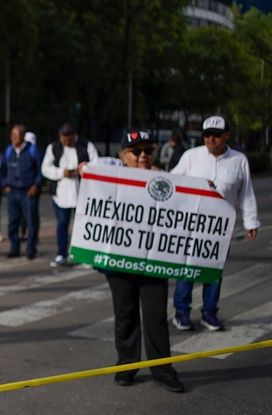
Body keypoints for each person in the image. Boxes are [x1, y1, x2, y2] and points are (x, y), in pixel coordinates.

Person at [95, 128, 184, 393]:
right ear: (124, 156)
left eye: (147, 151)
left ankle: (163, 369)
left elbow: (188, 205)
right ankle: (126, 366)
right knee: (125, 314)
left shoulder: (164, 179)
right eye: (136, 151)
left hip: (154, 259)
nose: (142, 156)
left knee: (156, 316)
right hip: (120, 261)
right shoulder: (112, 178)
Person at [170, 114, 260, 331]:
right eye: (207, 135)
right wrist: (197, 185)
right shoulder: (191, 156)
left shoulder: (239, 160)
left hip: (220, 227)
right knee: (187, 269)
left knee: (214, 272)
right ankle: (181, 312)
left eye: (216, 136)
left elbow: (245, 193)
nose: (211, 140)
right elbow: (173, 182)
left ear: (226, 136)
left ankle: (209, 312)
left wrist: (251, 222)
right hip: (191, 224)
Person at [41, 123, 98, 266]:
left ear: (74, 136)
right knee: (62, 224)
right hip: (61, 194)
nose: (66, 141)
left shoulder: (86, 145)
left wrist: (84, 169)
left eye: (69, 138)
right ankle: (61, 253)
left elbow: (96, 163)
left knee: (82, 225)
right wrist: (61, 172)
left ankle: (84, 255)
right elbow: (45, 168)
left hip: (82, 192)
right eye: (63, 138)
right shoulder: (54, 148)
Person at [3, 124, 42, 259]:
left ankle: (31, 249)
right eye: (12, 135)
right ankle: (15, 247)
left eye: (17, 134)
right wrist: (5, 184)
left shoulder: (32, 150)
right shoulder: (9, 150)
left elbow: (39, 170)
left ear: (23, 136)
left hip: (28, 191)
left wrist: (36, 185)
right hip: (13, 191)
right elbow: (3, 169)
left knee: (31, 221)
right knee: (13, 222)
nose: (14, 137)